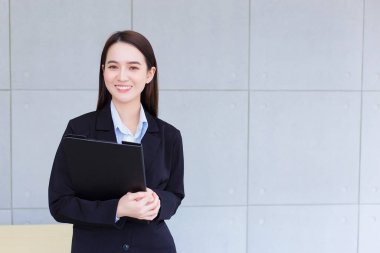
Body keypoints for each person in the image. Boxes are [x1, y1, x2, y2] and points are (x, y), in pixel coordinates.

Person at [48, 30, 185, 253]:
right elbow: (60, 204)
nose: (122, 76)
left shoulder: (169, 136)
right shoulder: (79, 130)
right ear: (103, 72)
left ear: (149, 74)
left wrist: (157, 202)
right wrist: (117, 209)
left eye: (133, 67)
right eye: (113, 66)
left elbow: (175, 194)